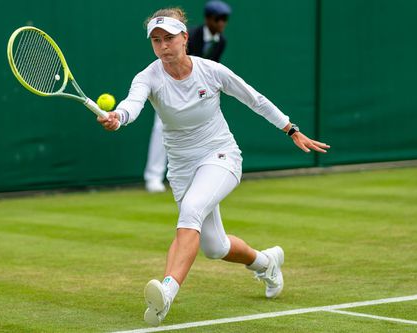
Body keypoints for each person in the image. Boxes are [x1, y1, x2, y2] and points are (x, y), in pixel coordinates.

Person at [97, 7, 330, 326]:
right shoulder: (148, 77)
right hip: (181, 169)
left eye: (169, 38)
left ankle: (166, 293)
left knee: (190, 211)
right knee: (214, 246)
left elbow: (255, 99)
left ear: (184, 37)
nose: (163, 46)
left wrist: (290, 128)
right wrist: (118, 118)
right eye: (156, 40)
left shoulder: (211, 71)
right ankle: (266, 263)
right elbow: (132, 104)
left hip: (221, 156)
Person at [143, 1, 232, 193]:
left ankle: (207, 170)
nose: (222, 23)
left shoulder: (221, 41)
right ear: (209, 19)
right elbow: (176, 65)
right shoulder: (188, 36)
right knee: (161, 129)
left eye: (225, 19)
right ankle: (153, 177)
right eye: (219, 19)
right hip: (169, 93)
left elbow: (208, 70)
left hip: (198, 95)